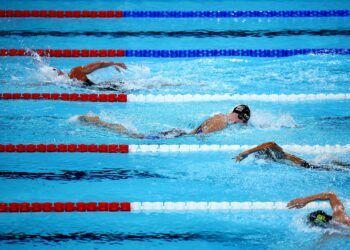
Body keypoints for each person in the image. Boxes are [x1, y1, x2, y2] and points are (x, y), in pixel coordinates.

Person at [78, 104, 251, 139]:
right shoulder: (222, 121)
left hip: (180, 133)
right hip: (179, 136)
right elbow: (201, 135)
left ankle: (99, 122)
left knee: (136, 135)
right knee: (135, 136)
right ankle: (98, 122)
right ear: (241, 118)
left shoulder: (221, 116)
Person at [234, 141, 350, 171]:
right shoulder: (276, 157)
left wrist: (246, 152)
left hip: (309, 166)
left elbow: (271, 143)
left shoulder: (278, 155)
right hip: (309, 163)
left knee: (343, 169)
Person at [52, 61, 127, 90]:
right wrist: (114, 63)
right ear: (59, 71)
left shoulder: (64, 84)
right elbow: (99, 64)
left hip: (103, 89)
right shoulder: (75, 72)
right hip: (109, 87)